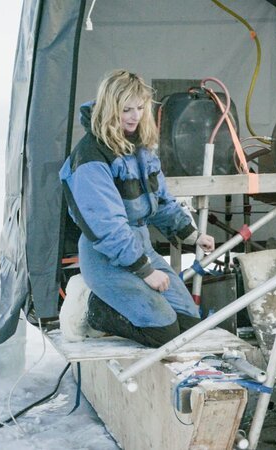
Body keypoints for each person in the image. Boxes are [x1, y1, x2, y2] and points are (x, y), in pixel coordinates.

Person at [59, 69, 215, 347]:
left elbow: (160, 201)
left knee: (189, 324)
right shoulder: (91, 154)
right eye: (126, 109)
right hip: (106, 255)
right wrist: (145, 272)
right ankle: (93, 306)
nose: (135, 116)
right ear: (109, 108)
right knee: (164, 332)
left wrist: (191, 234)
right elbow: (106, 226)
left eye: (140, 108)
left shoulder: (140, 148)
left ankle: (121, 300)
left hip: (140, 248)